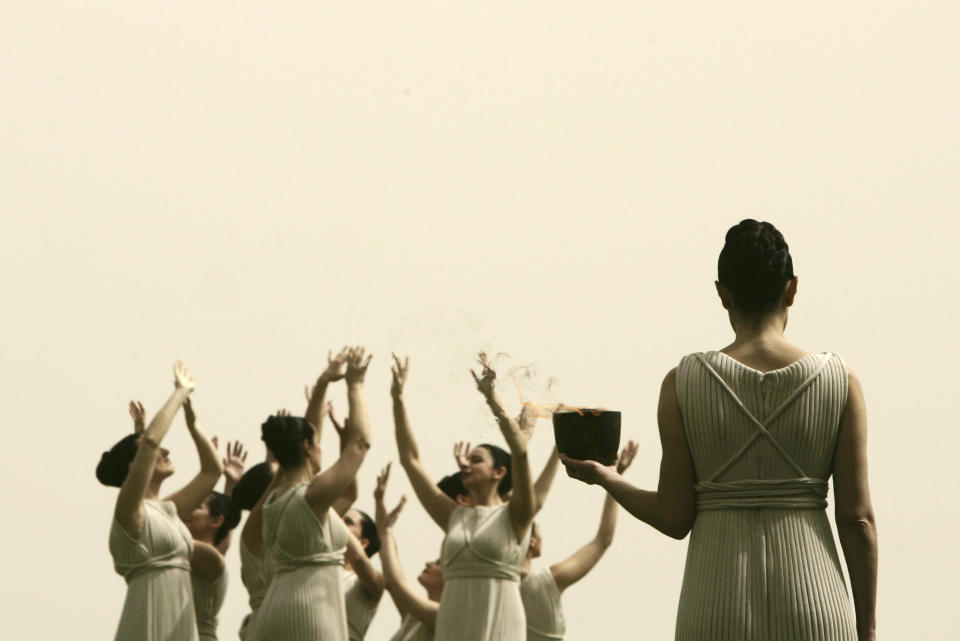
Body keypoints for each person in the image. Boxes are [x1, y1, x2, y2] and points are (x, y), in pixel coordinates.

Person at [560, 219, 878, 641]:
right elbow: (857, 520)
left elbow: (674, 519)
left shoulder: (683, 382)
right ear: (792, 289)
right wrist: (868, 628)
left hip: (714, 604)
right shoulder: (840, 381)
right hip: (816, 605)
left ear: (722, 293)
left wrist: (605, 477)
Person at [391, 352, 540, 641]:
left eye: (477, 460)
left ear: (498, 472)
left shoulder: (516, 516)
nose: (467, 465)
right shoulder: (454, 516)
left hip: (500, 625)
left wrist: (491, 398)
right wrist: (397, 399)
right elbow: (410, 460)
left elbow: (519, 452)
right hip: (454, 626)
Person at [252, 346, 373, 641]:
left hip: (273, 615)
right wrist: (355, 385)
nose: (321, 447)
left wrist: (322, 383)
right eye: (316, 444)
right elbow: (360, 444)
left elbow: (309, 431)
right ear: (307, 447)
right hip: (310, 616)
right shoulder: (312, 498)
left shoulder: (273, 499)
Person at [97, 362, 223, 641]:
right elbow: (152, 442)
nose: (166, 450)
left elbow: (213, 470)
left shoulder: (169, 511)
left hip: (178, 626)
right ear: (135, 465)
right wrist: (179, 393)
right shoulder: (130, 511)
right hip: (146, 621)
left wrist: (193, 424)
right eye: (151, 452)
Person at [519, 441, 637, 641]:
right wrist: (616, 478)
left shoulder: (486, 583)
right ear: (532, 543)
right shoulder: (543, 583)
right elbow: (603, 540)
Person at [181, 405, 244, 641]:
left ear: (216, 521)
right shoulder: (197, 552)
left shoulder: (211, 559)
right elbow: (225, 528)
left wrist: (208, 474)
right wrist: (223, 481)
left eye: (196, 506)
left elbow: (226, 527)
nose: (186, 509)